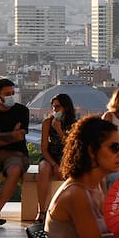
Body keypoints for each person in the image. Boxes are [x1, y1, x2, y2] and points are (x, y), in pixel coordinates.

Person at [0, 79, 31, 217]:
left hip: (17, 153)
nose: (11, 97)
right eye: (7, 94)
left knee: (14, 170)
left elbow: (20, 136)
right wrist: (11, 135)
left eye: (12, 93)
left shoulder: (22, 111)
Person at [35, 93, 76, 221]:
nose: (55, 110)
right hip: (50, 156)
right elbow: (44, 148)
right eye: (53, 107)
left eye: (58, 107)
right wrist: (53, 164)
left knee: (68, 175)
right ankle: (41, 210)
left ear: (66, 107)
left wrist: (58, 129)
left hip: (66, 156)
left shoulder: (74, 124)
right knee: (43, 170)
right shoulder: (47, 122)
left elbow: (71, 147)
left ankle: (66, 211)